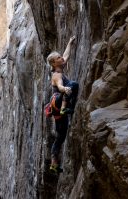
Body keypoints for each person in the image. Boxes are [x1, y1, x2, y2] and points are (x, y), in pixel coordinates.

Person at [47, 36, 79, 173]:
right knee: (73, 84)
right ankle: (66, 108)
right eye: (58, 58)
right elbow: (60, 85)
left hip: (57, 110)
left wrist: (70, 43)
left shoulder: (59, 66)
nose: (62, 58)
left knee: (61, 136)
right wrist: (65, 89)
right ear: (54, 63)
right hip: (58, 101)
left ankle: (54, 163)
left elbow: (66, 55)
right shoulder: (56, 75)